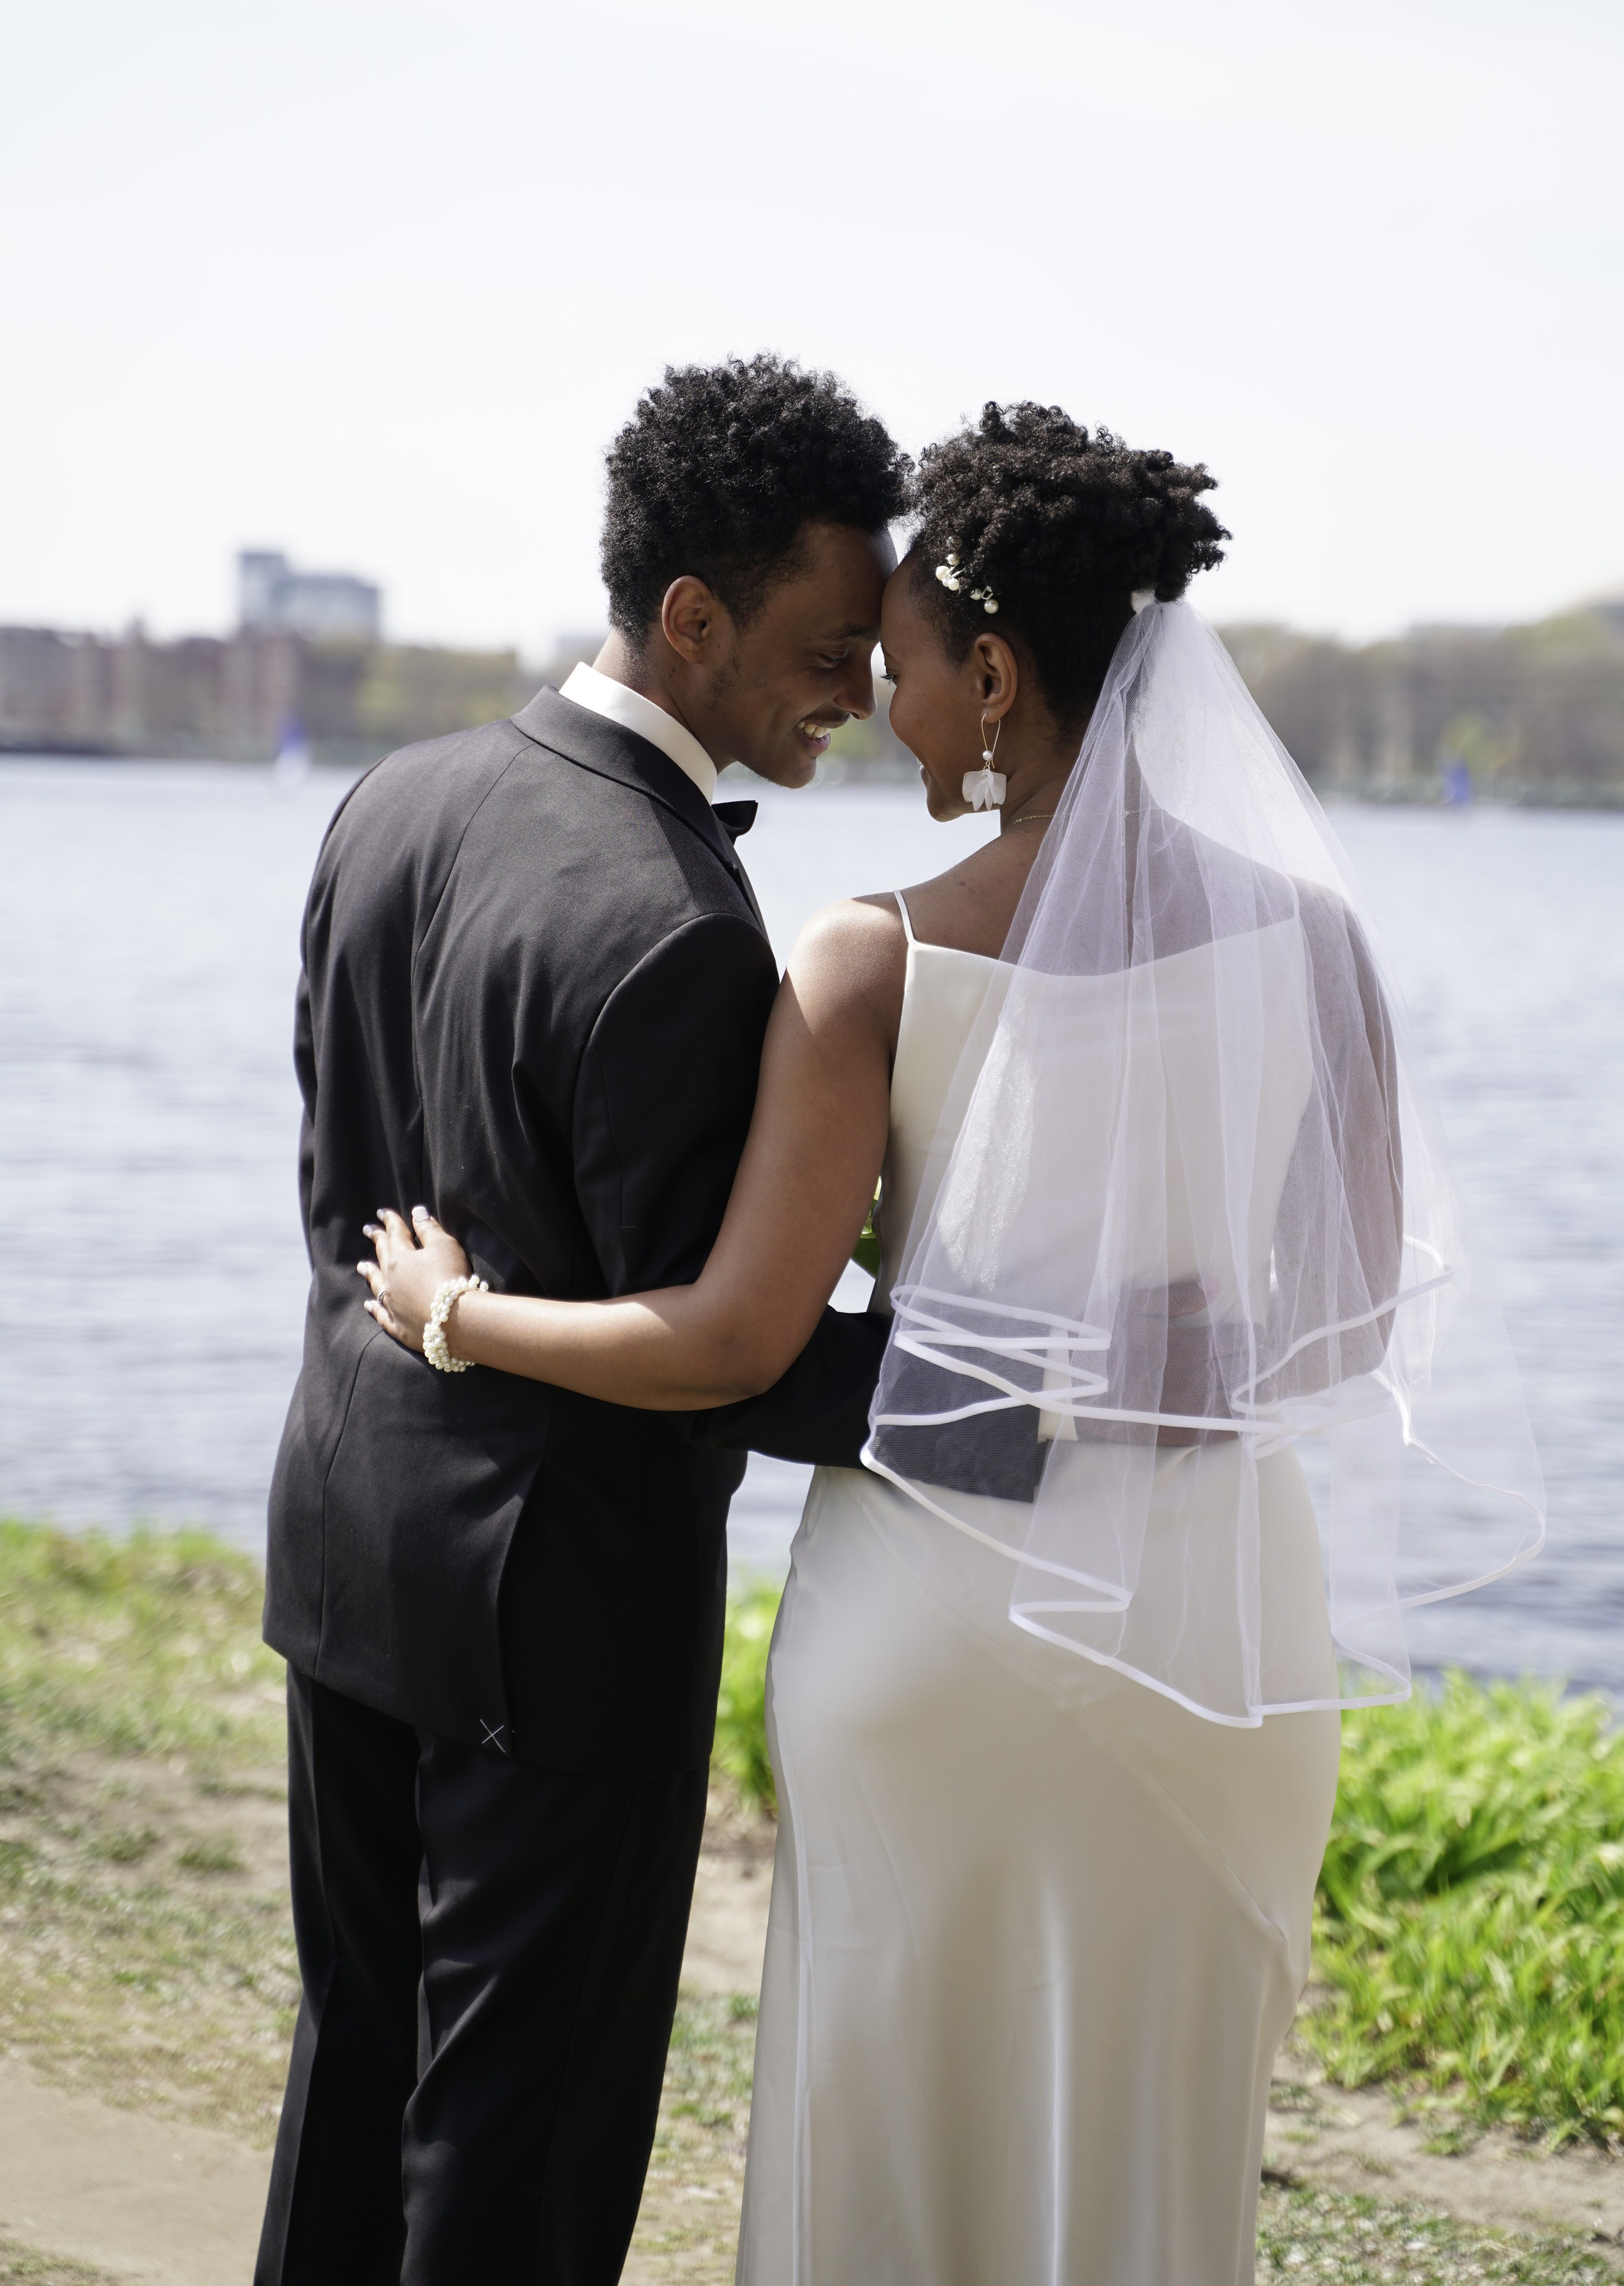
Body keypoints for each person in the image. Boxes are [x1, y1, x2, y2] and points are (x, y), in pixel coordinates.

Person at [362, 403, 1543, 2282]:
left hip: (939, 1634)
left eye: (897, 667)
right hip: (1216, 1641)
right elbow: (1343, 1323)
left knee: (896, 2147)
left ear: (994, 675)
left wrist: (456, 1316)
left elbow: (734, 1341)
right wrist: (1129, 1360)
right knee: (1149, 2150)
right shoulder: (1319, 947)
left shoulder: (869, 959)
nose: (876, 703)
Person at [255, 355, 909, 2286]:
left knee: (355, 2071)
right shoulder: (685, 930)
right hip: (559, 1621)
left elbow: (334, 1185)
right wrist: (1041, 1386)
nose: (860, 698)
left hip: (344, 1536)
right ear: (693, 618)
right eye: (830, 646)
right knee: (516, 2157)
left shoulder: (397, 796)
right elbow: (740, 1345)